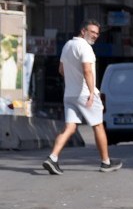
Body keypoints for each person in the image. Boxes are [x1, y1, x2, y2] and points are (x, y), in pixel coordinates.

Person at [43, 20, 123, 174]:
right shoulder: (85, 48)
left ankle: (52, 158)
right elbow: (87, 70)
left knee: (70, 127)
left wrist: (73, 80)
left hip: (70, 94)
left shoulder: (67, 45)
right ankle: (106, 162)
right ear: (83, 30)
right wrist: (92, 93)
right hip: (85, 93)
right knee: (98, 125)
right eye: (92, 32)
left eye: (97, 33)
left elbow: (61, 69)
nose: (95, 36)